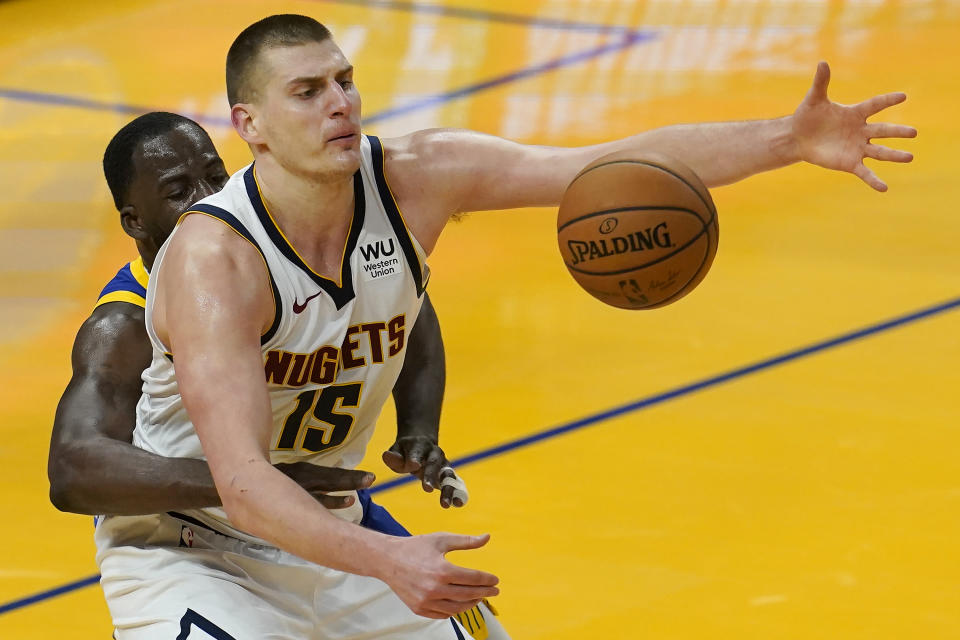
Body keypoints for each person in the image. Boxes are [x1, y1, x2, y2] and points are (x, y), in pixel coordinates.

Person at [94, 13, 916, 639]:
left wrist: (789, 139)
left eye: (344, 80)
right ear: (252, 125)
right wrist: (391, 558)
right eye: (308, 92)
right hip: (196, 549)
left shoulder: (417, 177)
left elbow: (603, 167)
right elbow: (241, 483)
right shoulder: (215, 261)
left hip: (331, 534)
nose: (340, 102)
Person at [49, 111, 499, 638]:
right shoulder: (123, 322)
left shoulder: (277, 248)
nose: (208, 197)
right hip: (190, 539)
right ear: (134, 221)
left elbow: (404, 298)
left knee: (473, 622)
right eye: (178, 191)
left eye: (215, 176)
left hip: (316, 521)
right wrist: (256, 486)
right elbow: (75, 469)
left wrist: (418, 428)